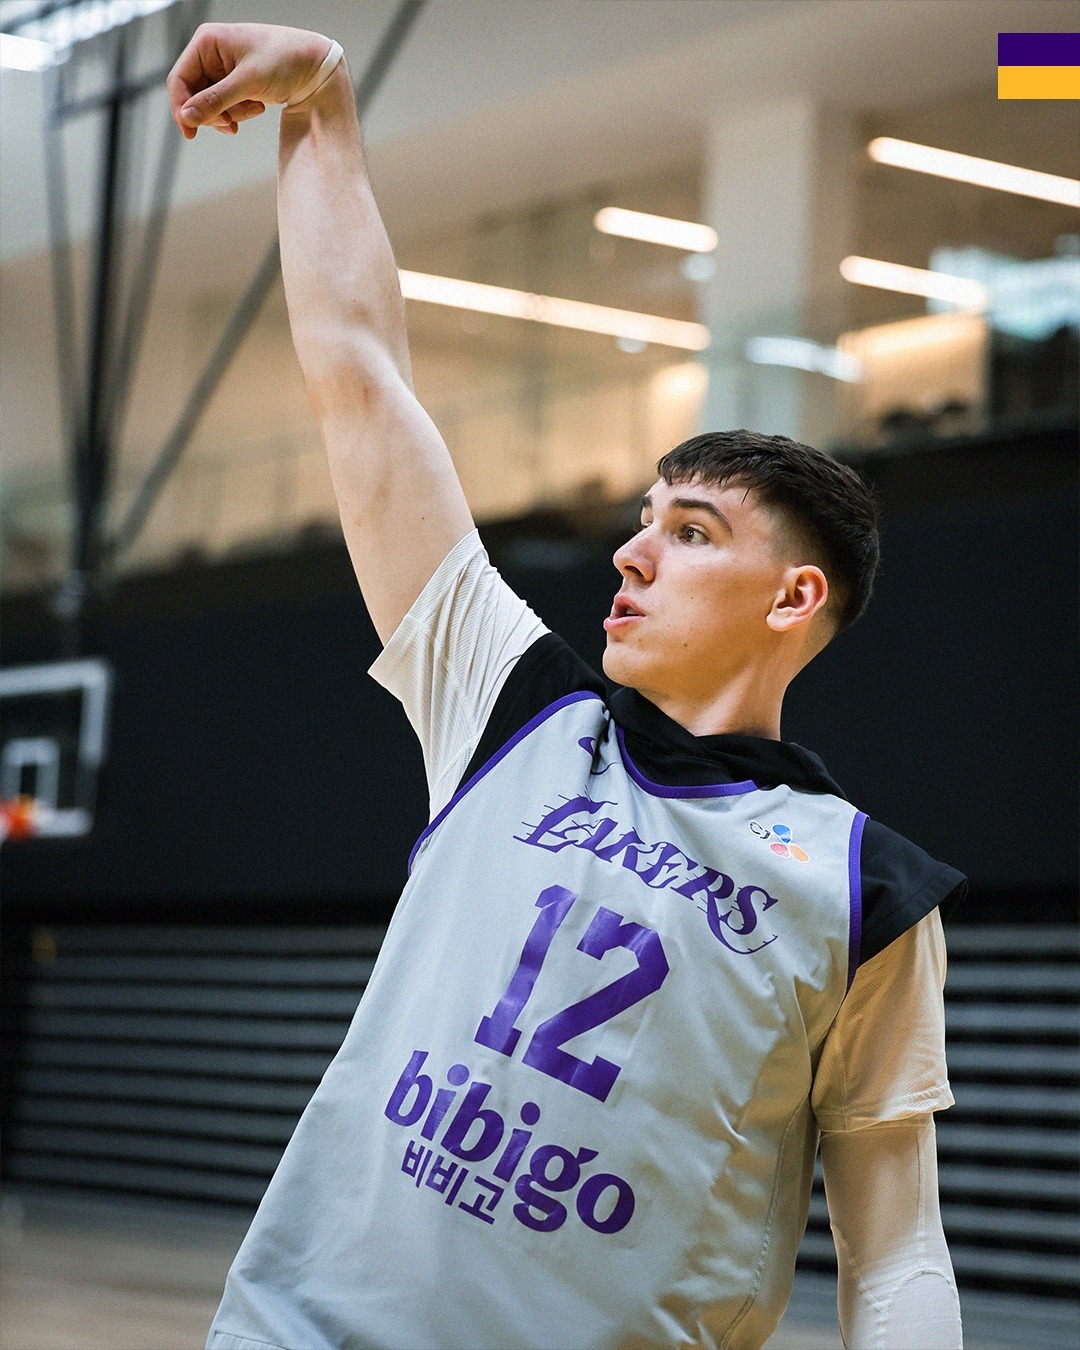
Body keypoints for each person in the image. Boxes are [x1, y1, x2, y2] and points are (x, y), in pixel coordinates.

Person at [169, 22, 966, 1350]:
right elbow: (359, 375)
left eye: (692, 532)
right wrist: (324, 107)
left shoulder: (863, 889)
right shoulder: (511, 707)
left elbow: (896, 1253)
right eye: (643, 519)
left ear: (792, 598)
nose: (632, 552)